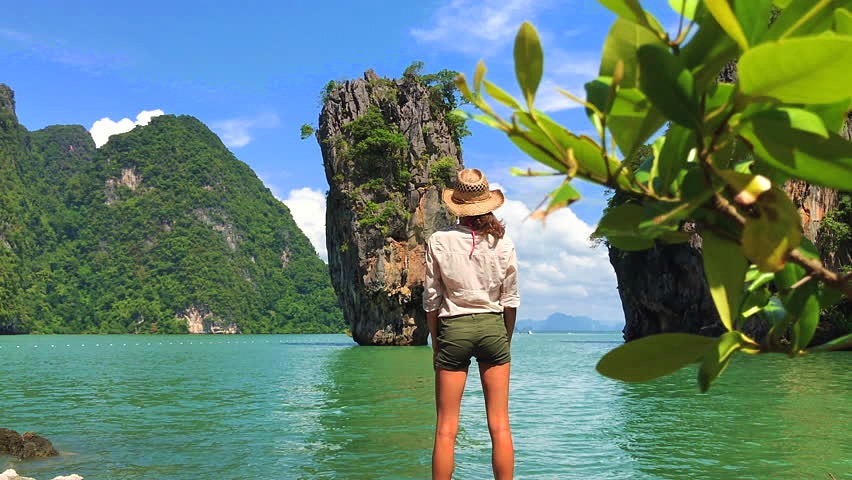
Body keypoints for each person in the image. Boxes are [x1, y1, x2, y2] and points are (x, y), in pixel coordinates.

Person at [423, 168, 520, 480]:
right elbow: (510, 301)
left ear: (458, 205)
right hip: (493, 328)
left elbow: (432, 300)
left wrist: (437, 343)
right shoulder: (503, 243)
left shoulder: (439, 240)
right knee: (500, 425)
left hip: (453, 328)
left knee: (446, 429)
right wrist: (504, 338)